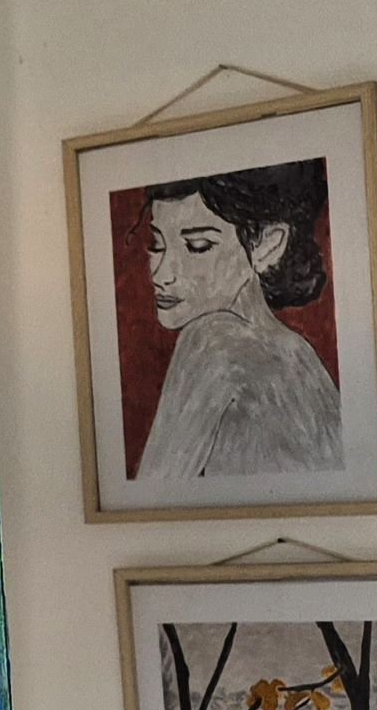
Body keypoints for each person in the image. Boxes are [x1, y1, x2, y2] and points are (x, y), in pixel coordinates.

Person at [136, 158, 342, 481]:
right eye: (158, 244)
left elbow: (152, 494)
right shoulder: (299, 356)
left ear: (268, 244)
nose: (161, 274)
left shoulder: (214, 341)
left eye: (197, 246)